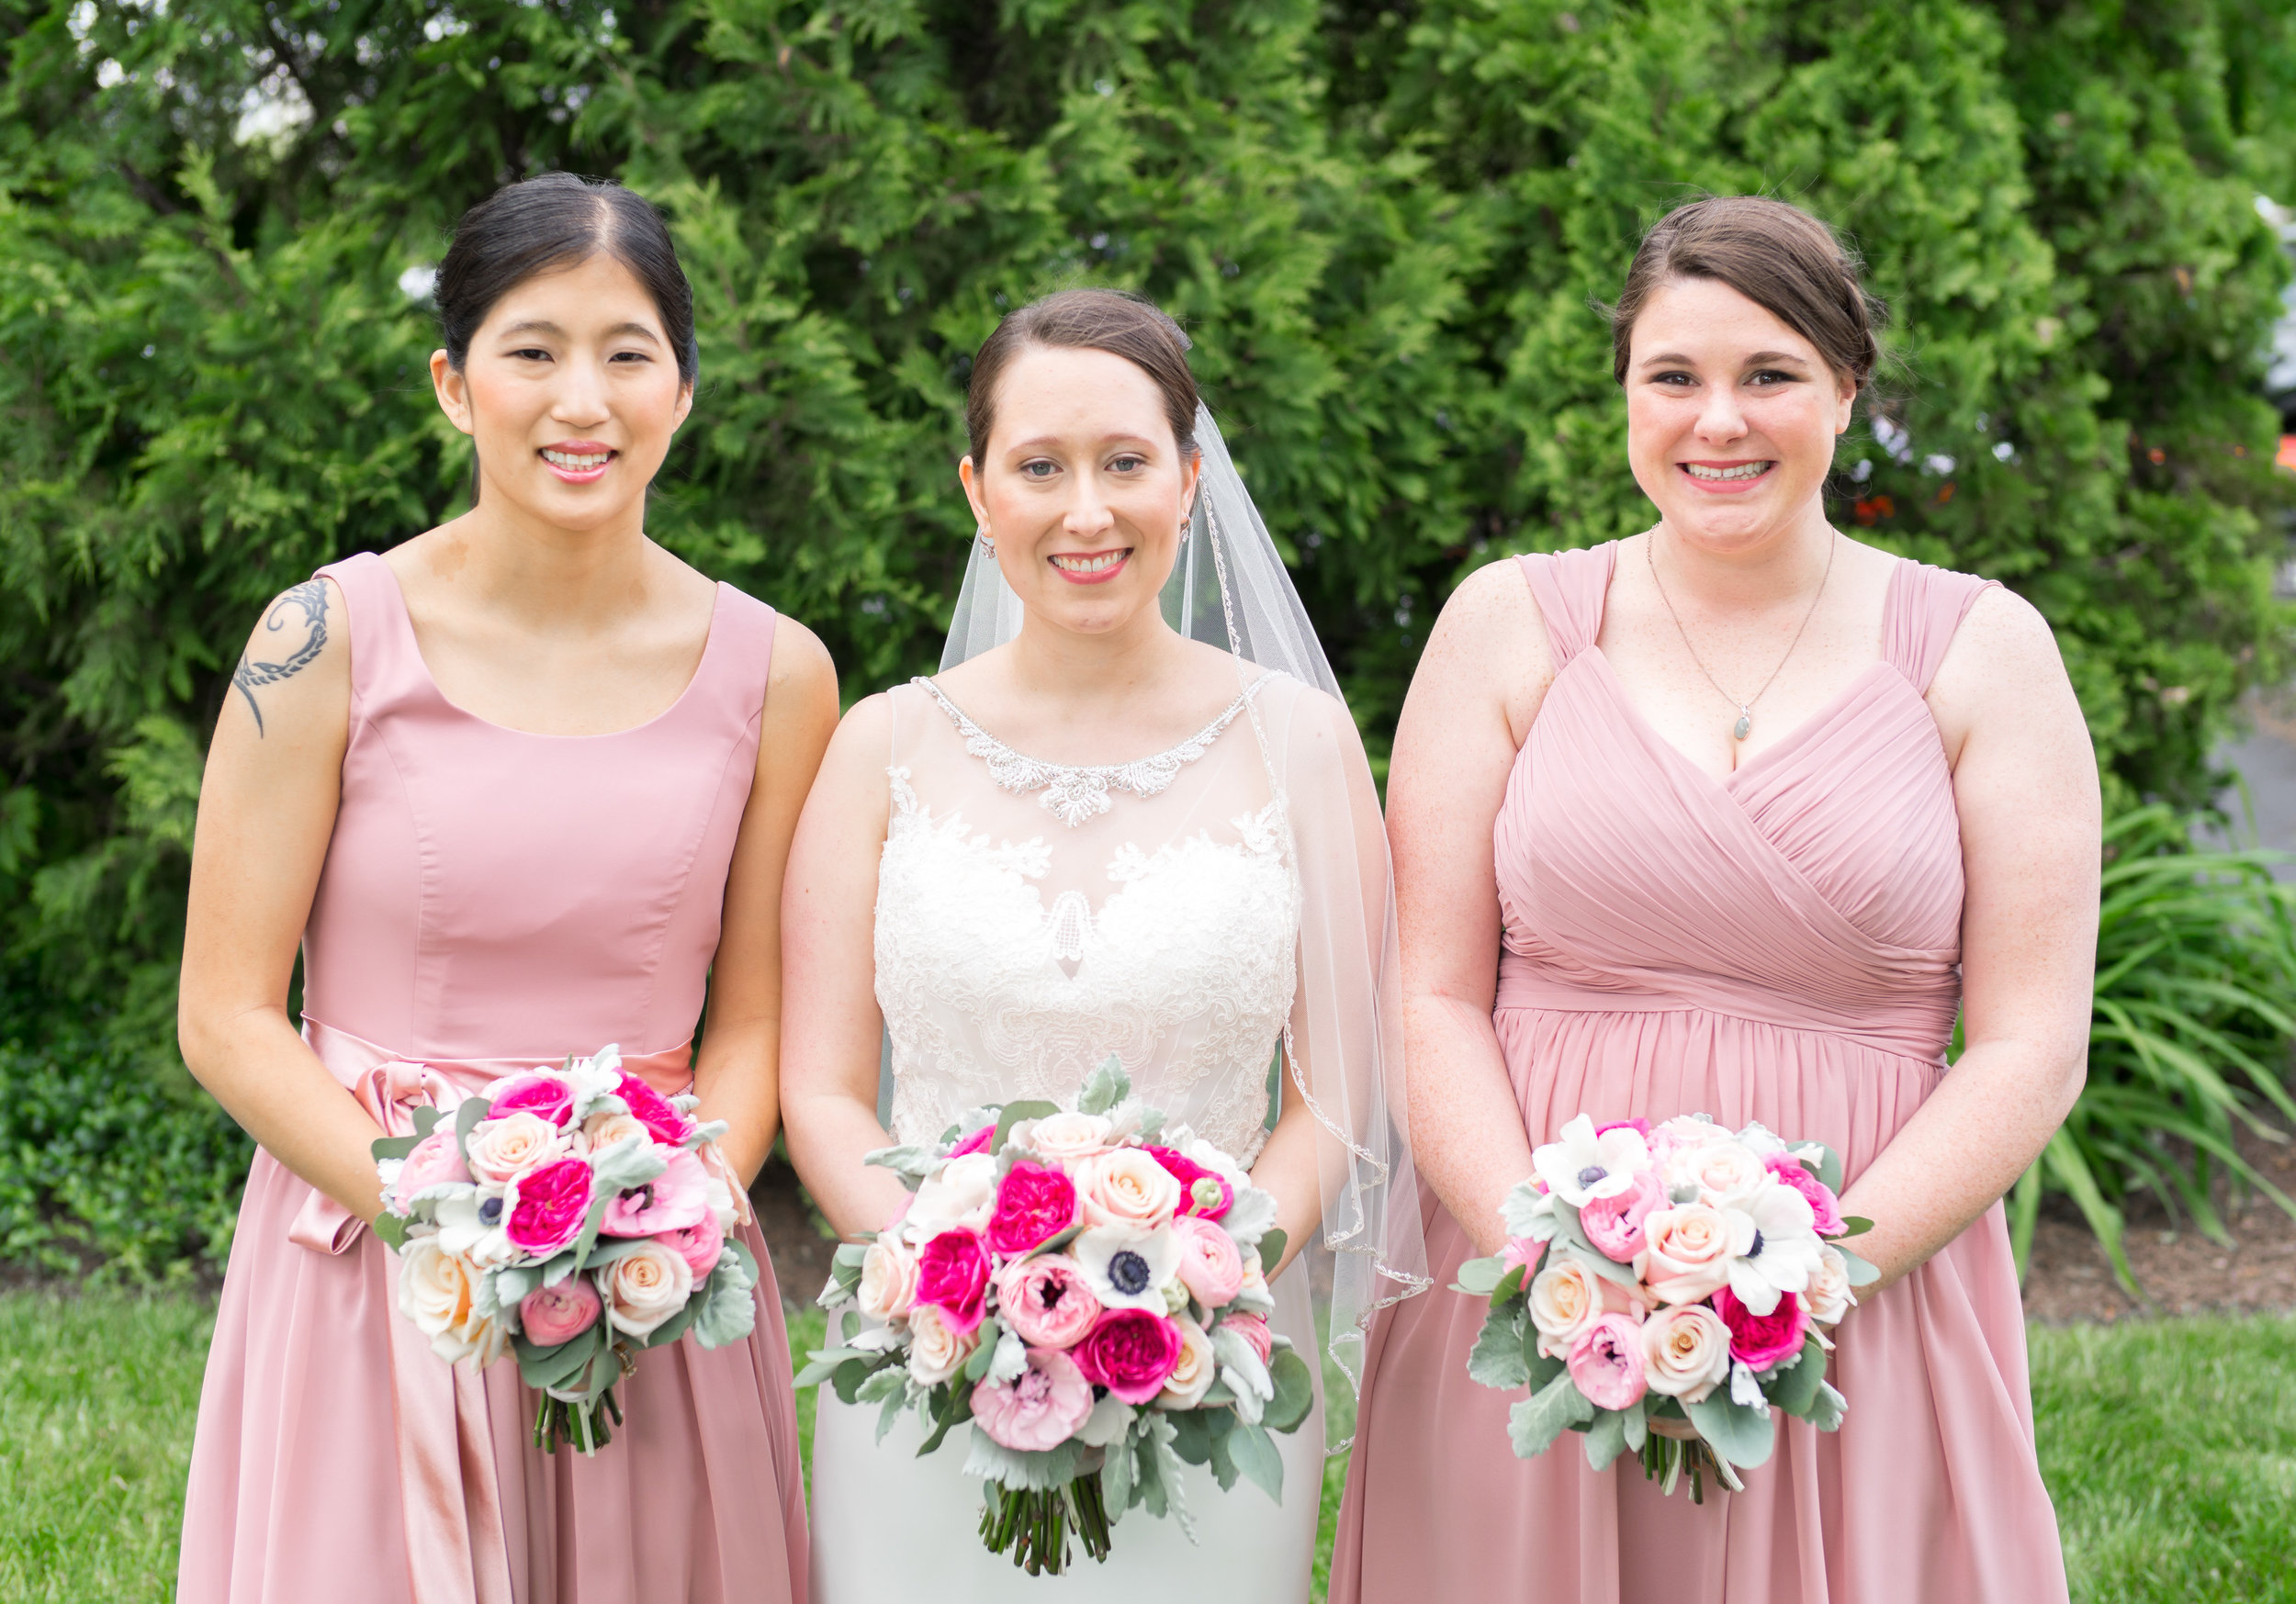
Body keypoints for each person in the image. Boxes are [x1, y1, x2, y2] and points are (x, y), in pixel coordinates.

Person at [1331, 196, 2097, 1602]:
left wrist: (1808, 1276)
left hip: (1869, 1275)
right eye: (1673, 377)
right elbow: (1429, 993)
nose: (1718, 422)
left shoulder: (1983, 650)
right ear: (1624, 388)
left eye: (1771, 376)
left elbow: (2032, 1044)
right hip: (1535, 1276)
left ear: (1846, 392)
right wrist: (1549, 1267)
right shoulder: (1510, 624)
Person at [175, 172, 835, 1604]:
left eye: (627, 353)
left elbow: (761, 1021)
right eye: (532, 350)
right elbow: (225, 1014)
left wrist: (658, 1218)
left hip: (656, 1282)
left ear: (685, 390)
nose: (580, 400)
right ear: (454, 384)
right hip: (376, 1263)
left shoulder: (778, 674)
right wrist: (452, 1225)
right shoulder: (322, 639)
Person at [780, 288, 1425, 1602]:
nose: (1087, 511)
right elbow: (822, 1090)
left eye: (1126, 463)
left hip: (1209, 1367)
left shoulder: (1300, 745)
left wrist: (1200, 1284)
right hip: (923, 1369)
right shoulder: (880, 750)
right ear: (978, 490)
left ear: (1189, 481)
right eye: (1040, 468)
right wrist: (947, 1289)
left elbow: (1338, 1094)